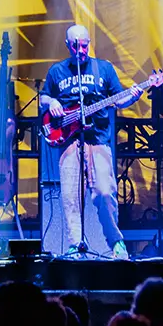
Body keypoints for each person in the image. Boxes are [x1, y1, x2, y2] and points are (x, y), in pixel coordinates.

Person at [40, 24, 143, 260]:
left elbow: (119, 100)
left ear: (89, 43)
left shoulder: (103, 68)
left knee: (104, 192)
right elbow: (43, 96)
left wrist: (134, 95)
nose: (80, 50)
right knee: (69, 196)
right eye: (75, 45)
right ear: (68, 45)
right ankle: (76, 245)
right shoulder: (57, 71)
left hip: (97, 139)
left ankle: (116, 243)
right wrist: (52, 103)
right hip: (68, 141)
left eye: (84, 45)